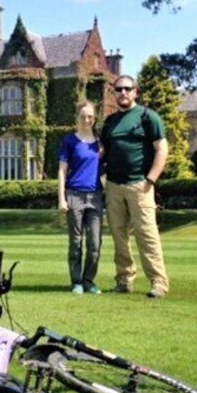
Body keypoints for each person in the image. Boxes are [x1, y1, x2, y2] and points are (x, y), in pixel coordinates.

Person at [100, 75, 170, 299]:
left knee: (147, 235)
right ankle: (124, 279)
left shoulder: (149, 117)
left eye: (127, 89)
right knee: (119, 236)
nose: (122, 93)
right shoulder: (110, 122)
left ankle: (158, 282)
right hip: (113, 186)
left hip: (140, 185)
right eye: (118, 89)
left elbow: (162, 149)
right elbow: (101, 153)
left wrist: (151, 179)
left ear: (135, 92)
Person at [57, 101, 104, 295]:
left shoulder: (100, 143)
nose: (86, 120)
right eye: (83, 116)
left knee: (94, 244)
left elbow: (104, 170)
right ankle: (76, 281)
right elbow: (62, 171)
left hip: (95, 196)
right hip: (74, 195)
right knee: (75, 242)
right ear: (77, 118)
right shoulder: (69, 141)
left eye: (90, 117)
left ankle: (88, 281)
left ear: (94, 119)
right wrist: (61, 198)